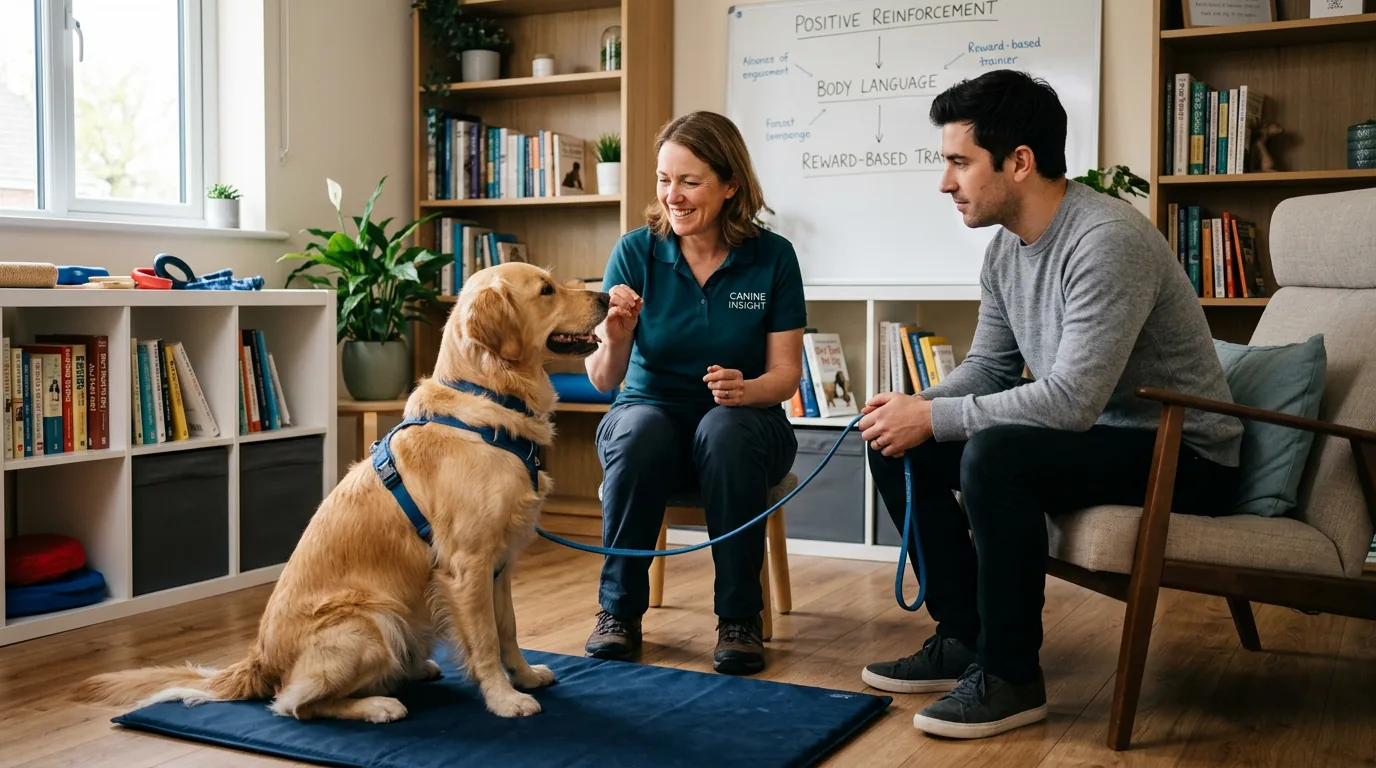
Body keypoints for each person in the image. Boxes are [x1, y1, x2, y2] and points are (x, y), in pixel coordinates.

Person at [855, 70, 1244, 739]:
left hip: (1185, 454)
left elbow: (1071, 402)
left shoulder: (1106, 240)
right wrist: (913, 407)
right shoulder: (1006, 251)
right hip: (1104, 438)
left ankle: (1012, 677)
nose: (945, 182)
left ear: (1019, 162)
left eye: (958, 162)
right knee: (895, 439)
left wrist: (934, 416)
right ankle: (965, 637)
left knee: (996, 454)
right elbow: (990, 368)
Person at [582, 110, 808, 675]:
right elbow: (604, 381)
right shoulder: (635, 252)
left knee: (723, 429)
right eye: (664, 179)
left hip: (746, 424)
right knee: (639, 430)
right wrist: (614, 338)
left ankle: (738, 619)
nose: (672, 197)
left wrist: (747, 387)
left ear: (731, 185)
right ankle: (618, 614)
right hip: (647, 419)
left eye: (689, 181)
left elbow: (786, 377)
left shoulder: (774, 257)